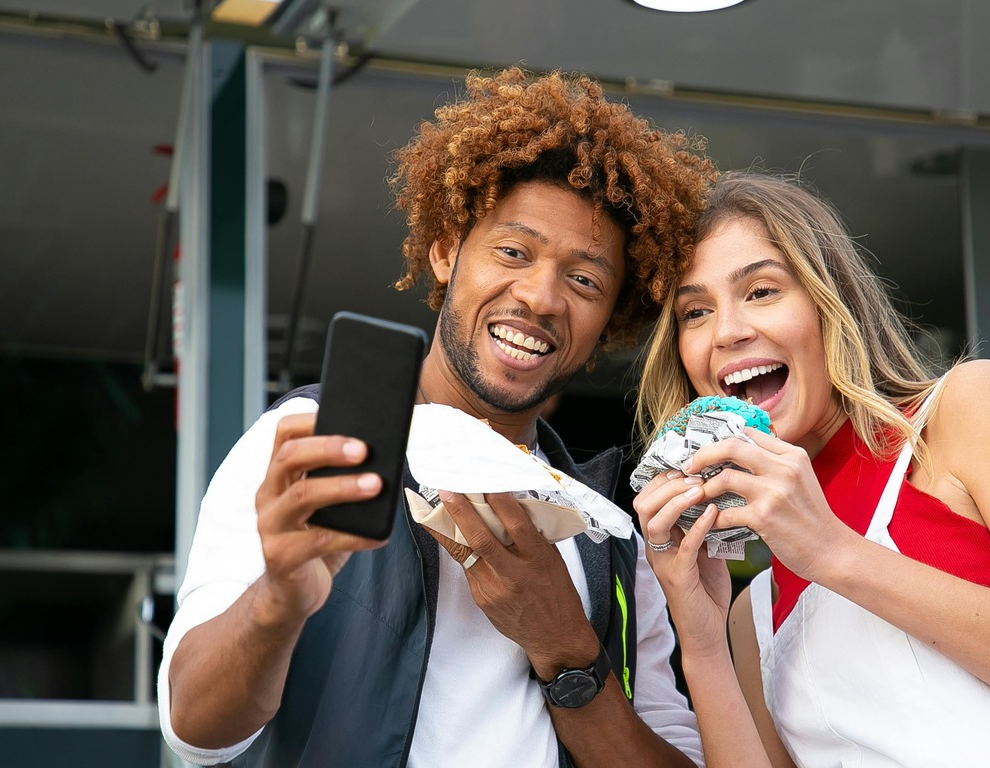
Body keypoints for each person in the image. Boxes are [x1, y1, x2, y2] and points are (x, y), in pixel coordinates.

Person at [157, 67, 721, 767]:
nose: (542, 297)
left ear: (610, 321)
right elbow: (192, 733)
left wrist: (567, 648)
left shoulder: (611, 538)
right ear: (448, 250)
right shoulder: (306, 442)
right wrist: (278, 600)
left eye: (584, 281)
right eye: (513, 252)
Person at [630, 170, 990, 767]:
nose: (727, 332)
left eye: (761, 291)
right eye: (695, 312)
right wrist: (703, 648)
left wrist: (834, 553)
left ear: (829, 305)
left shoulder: (965, 411)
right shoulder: (749, 613)